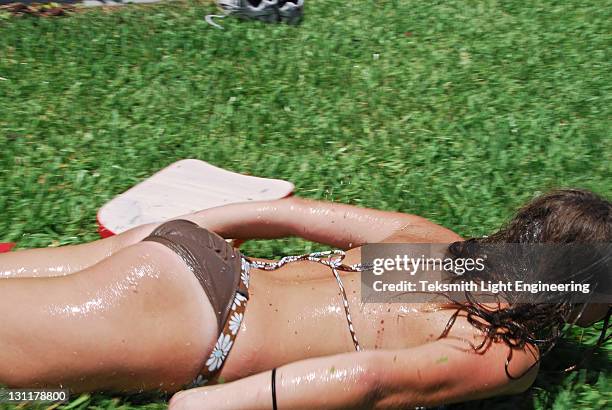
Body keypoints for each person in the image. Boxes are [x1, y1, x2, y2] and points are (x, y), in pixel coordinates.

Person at [0, 189, 609, 409]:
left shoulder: (438, 247)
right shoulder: (506, 347)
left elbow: (281, 213)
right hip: (192, 321)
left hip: (198, 254)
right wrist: (212, 407)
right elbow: (371, 379)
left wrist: (171, 231)